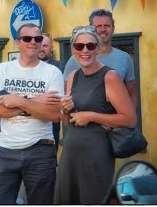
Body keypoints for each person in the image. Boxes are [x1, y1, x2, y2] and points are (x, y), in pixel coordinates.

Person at [54, 26, 136, 204]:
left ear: (98, 49)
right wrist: (65, 110)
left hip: (97, 154)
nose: (85, 50)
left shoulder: (110, 76)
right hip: (70, 153)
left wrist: (91, 116)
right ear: (73, 49)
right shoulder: (73, 76)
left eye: (90, 46)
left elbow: (130, 119)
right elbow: (67, 122)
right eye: (79, 46)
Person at [0, 23, 64, 205]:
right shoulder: (2, 70)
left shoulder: (52, 72)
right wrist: (36, 102)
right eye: (27, 38)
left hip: (41, 150)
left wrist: (19, 100)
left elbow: (54, 115)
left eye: (37, 39)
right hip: (6, 149)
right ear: (17, 43)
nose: (33, 42)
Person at [63, 9, 137, 107]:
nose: (103, 29)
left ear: (113, 28)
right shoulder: (75, 59)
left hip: (116, 120)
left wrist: (129, 118)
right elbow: (65, 93)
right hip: (82, 119)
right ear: (91, 29)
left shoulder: (125, 58)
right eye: (98, 26)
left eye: (107, 25)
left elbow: (131, 93)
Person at [39, 33, 65, 151]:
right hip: (27, 123)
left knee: (49, 159)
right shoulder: (26, 67)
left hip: (51, 124)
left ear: (51, 47)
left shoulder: (60, 67)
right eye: (39, 45)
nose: (41, 48)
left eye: (45, 46)